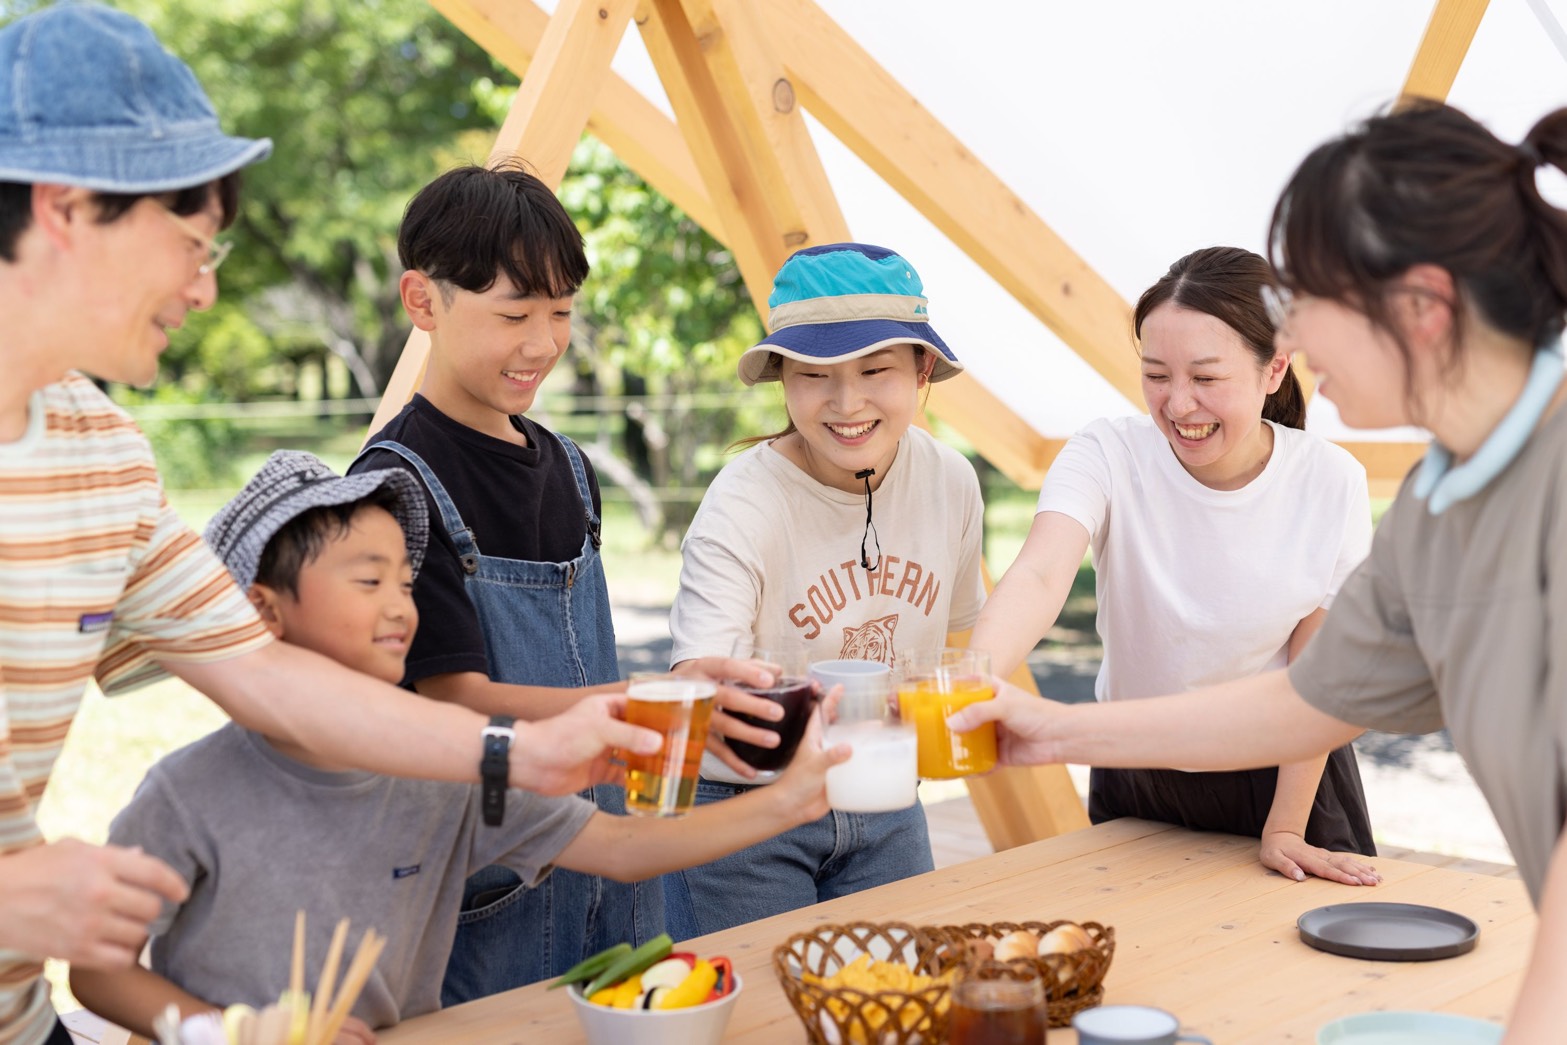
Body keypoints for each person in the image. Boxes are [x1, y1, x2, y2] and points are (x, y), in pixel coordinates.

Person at [0, 8, 657, 1044]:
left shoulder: (105, 455)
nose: (206, 287)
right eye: (192, 244)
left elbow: (268, 674)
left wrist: (517, 757)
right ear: (68, 208)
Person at [947, 101, 1567, 1041]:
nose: (1293, 336)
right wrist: (1053, 730)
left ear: (1421, 304)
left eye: (1309, 297)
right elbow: (1306, 701)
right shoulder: (1437, 506)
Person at [66, 451, 844, 1041]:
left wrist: (789, 800)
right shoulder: (186, 793)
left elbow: (619, 846)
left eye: (406, 583)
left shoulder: (452, 767)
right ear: (264, 613)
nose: (402, 607)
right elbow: (98, 972)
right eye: (368, 581)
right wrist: (230, 1032)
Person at [349, 164, 782, 998]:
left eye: (561, 312)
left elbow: (585, 661)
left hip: (615, 864)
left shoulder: (570, 469)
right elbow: (451, 699)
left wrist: (675, 689)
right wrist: (647, 700)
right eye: (514, 314)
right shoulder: (393, 485)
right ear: (421, 300)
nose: (543, 342)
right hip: (494, 882)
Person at [969, 245, 1380, 886]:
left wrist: (1285, 828)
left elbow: (1320, 673)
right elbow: (1039, 575)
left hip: (1287, 779)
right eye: (1156, 374)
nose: (1179, 404)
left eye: (1206, 378)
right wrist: (972, 682)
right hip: (1134, 768)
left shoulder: (1331, 480)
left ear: (1274, 368)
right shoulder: (1106, 452)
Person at [662, 242, 988, 937]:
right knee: (763, 998)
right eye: (814, 375)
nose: (846, 403)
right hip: (746, 804)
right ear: (782, 379)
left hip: (886, 791)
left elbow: (961, 640)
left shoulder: (950, 481)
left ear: (921, 369)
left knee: (898, 984)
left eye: (875, 370)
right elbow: (696, 674)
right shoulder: (742, 502)